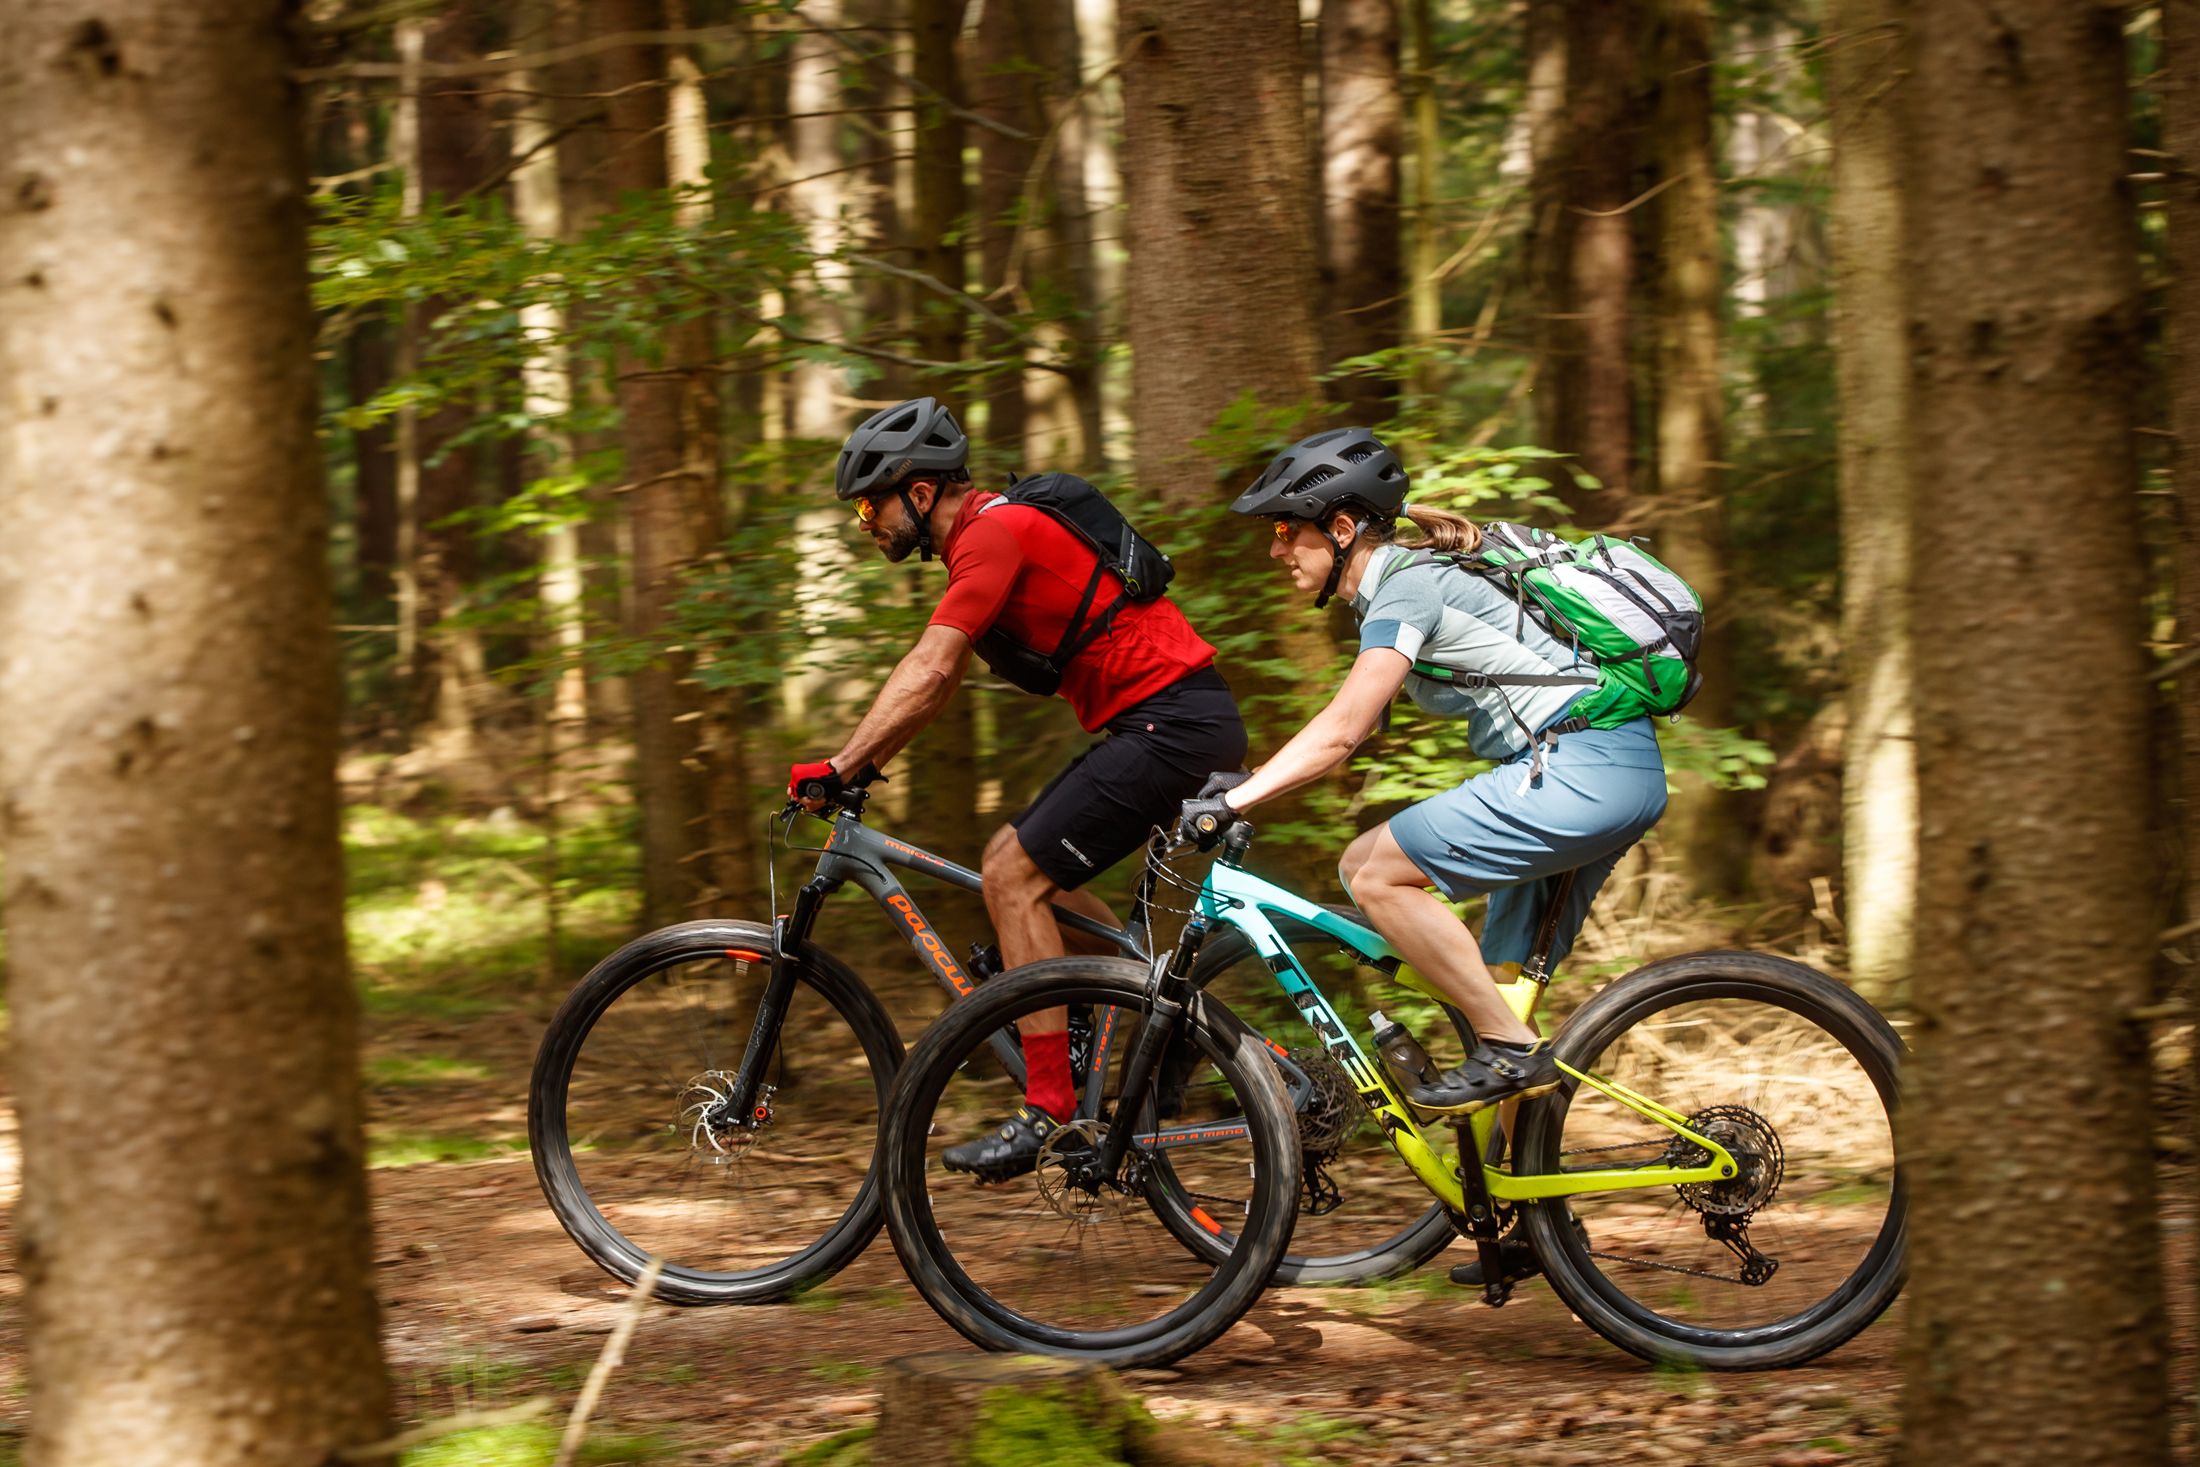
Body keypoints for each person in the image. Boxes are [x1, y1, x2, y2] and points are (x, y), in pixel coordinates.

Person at [1176, 426, 1667, 1285]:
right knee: (1501, 991)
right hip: (1603, 767)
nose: (1275, 549)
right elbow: (1354, 731)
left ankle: (1505, 1049)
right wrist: (1249, 782)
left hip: (1580, 768)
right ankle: (1541, 1221)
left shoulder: (1405, 584)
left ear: (1340, 528)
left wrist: (1237, 801)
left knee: (1372, 869)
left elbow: (1342, 731)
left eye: (1286, 530)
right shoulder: (1405, 589)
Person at [790, 397, 1248, 1179]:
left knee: (1010, 874)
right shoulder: (990, 534)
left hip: (1170, 728)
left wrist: (840, 763)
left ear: (920, 491)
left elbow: (931, 666)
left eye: (870, 504)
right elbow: (937, 686)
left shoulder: (991, 534)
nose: (864, 522)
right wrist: (862, 764)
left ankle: (1049, 1107)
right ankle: (1148, 1010)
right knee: (1039, 880)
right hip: (1175, 723)